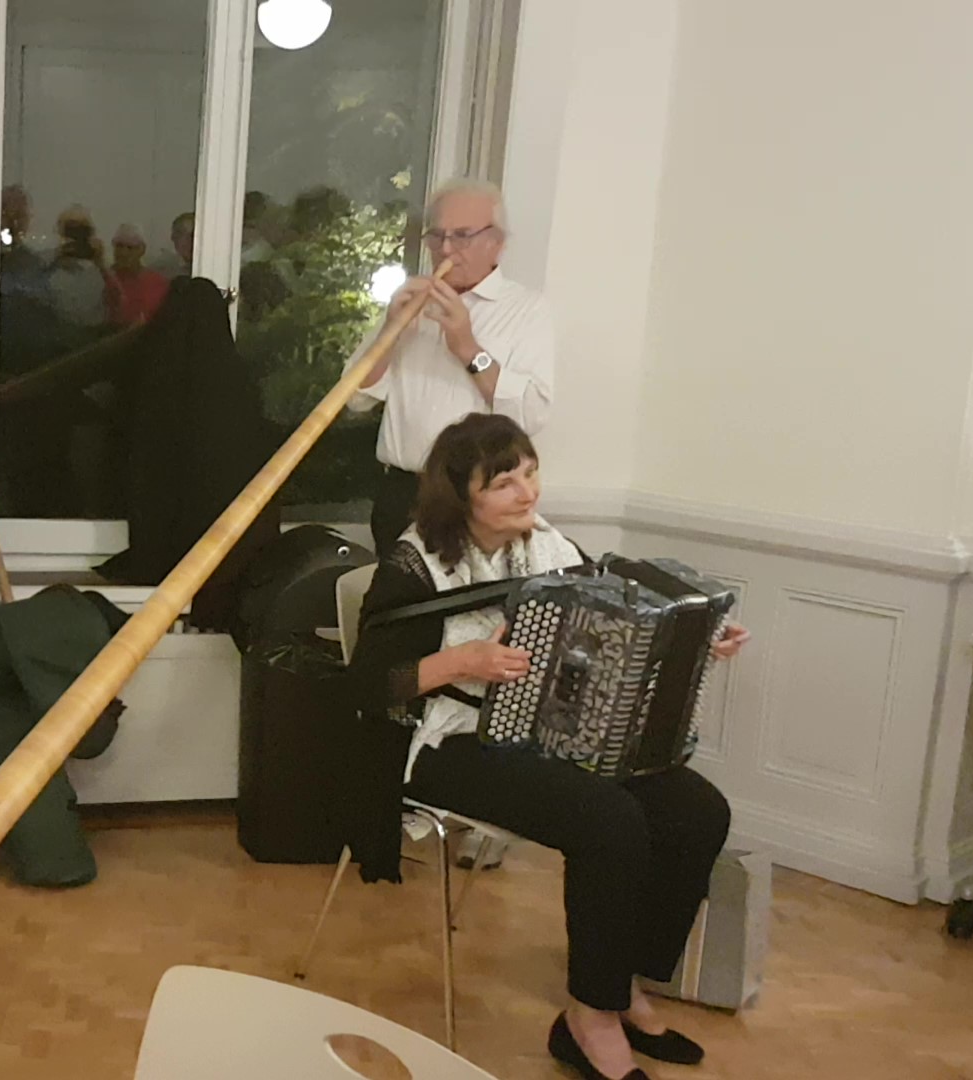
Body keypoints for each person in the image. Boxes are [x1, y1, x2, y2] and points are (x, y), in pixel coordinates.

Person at [349, 414, 749, 1080]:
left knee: (697, 810)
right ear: (460, 492)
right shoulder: (415, 563)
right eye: (504, 482)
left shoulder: (551, 549)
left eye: (531, 473)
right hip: (450, 742)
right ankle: (590, 1019)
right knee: (609, 820)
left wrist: (702, 641)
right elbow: (368, 684)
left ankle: (619, 984)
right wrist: (463, 661)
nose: (527, 492)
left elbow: (624, 632)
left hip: (549, 734)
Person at [346, 178, 555, 554]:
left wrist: (467, 348)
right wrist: (390, 334)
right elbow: (355, 398)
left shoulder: (527, 310)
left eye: (461, 236)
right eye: (436, 236)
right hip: (401, 494)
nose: (445, 249)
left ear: (497, 243)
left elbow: (531, 414)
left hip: (474, 500)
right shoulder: (410, 301)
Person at [105, 223, 169, 326]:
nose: (123, 253)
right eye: (119, 246)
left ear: (142, 250)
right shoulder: (104, 280)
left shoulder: (158, 283)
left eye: (130, 248)